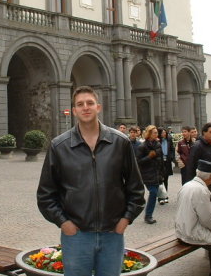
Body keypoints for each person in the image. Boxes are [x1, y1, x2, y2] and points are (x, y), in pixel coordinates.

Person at [37, 86, 145, 276]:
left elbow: (135, 188)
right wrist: (64, 223)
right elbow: (46, 194)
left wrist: (125, 220)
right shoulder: (59, 146)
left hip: (112, 235)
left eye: (90, 103)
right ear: (74, 110)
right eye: (80, 104)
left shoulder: (120, 143)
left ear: (98, 107)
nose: (85, 107)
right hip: (76, 236)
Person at [137, 125, 163, 224]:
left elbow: (160, 160)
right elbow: (138, 161)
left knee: (154, 193)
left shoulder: (158, 145)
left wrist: (162, 173)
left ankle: (148, 215)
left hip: (156, 173)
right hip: (147, 173)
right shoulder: (142, 146)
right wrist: (149, 157)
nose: (157, 134)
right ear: (149, 134)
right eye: (155, 132)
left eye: (157, 132)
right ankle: (148, 215)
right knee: (153, 192)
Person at [157, 127, 175, 204]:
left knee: (166, 179)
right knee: (160, 180)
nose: (164, 134)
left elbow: (172, 149)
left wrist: (171, 157)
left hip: (167, 161)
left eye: (165, 132)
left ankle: (165, 195)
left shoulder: (169, 139)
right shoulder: (157, 141)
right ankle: (160, 197)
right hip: (159, 162)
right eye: (162, 132)